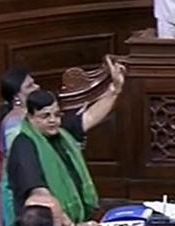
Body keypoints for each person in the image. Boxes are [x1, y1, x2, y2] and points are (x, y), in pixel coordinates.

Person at [7, 56, 125, 224]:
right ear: (31, 117)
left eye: (56, 114)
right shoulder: (24, 145)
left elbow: (90, 116)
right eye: (45, 116)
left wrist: (115, 89)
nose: (53, 120)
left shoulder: (61, 132)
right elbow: (40, 197)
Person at [0, 69, 40, 226]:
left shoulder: (29, 116)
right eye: (30, 86)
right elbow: (20, 160)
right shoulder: (13, 124)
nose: (37, 87)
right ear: (16, 97)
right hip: (19, 186)